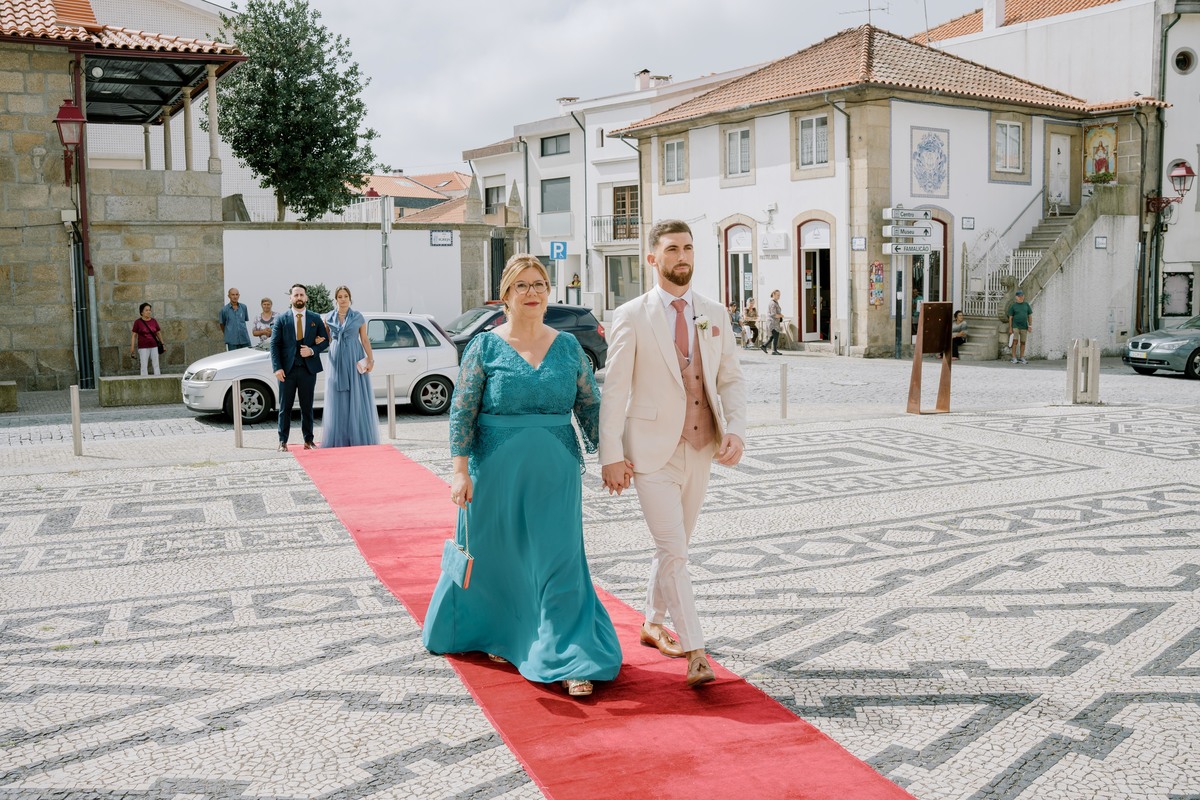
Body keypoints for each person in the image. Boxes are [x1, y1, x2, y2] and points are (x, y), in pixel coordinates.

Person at [423, 254, 621, 699]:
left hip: (555, 470)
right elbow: (462, 411)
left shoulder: (569, 347)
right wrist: (458, 471)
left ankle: (572, 656)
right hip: (493, 469)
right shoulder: (485, 346)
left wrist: (613, 456)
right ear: (506, 294)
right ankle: (500, 635)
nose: (533, 293)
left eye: (540, 284)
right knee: (500, 559)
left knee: (560, 561)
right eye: (522, 286)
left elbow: (589, 407)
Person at [599, 219, 747, 688]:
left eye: (687, 248)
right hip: (649, 454)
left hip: (701, 447)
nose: (682, 256)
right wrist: (611, 455)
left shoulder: (713, 312)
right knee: (674, 550)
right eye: (671, 249)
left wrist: (736, 431)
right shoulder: (631, 315)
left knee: (675, 546)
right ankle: (696, 650)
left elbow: (730, 379)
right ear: (653, 258)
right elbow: (615, 390)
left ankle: (650, 621)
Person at [270, 283, 328, 451]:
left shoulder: (315, 318)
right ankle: (282, 441)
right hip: (286, 371)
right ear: (290, 298)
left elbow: (325, 341)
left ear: (306, 297)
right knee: (285, 407)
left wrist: (312, 350)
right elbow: (274, 345)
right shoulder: (282, 319)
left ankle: (308, 441)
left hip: (307, 370)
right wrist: (277, 368)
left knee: (307, 407)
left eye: (302, 295)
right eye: (296, 295)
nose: (299, 298)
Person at [321, 286, 379, 448]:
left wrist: (371, 360)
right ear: (336, 299)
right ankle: (339, 437)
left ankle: (357, 436)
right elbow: (325, 339)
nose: (343, 299)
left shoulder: (358, 317)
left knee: (356, 396)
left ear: (350, 298)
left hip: (354, 357)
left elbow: (365, 340)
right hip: (336, 360)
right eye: (340, 296)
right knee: (337, 397)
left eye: (346, 296)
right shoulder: (328, 317)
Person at [129, 302, 164, 376]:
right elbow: (134, 335)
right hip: (143, 347)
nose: (149, 312)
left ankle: (158, 379)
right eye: (146, 310)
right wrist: (132, 347)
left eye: (149, 310)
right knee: (144, 366)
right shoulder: (138, 322)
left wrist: (162, 344)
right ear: (142, 312)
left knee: (156, 364)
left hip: (154, 346)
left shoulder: (153, 321)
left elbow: (158, 333)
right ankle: (144, 381)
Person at [1007, 289, 1033, 364]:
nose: (1021, 297)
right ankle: (1013, 357)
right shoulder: (1013, 306)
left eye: (1022, 296)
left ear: (1023, 296)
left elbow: (1029, 316)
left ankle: (1022, 357)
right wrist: (1010, 328)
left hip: (1024, 326)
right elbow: (1010, 317)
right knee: (1015, 341)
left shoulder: (1026, 305)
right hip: (1015, 326)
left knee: (1023, 342)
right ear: (1016, 297)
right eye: (1019, 296)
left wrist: (1030, 326)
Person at [760, 288, 784, 355]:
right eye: (777, 295)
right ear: (773, 295)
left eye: (779, 295)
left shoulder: (775, 302)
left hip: (774, 322)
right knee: (775, 336)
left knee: (772, 336)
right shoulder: (773, 303)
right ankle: (774, 351)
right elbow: (774, 314)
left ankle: (764, 346)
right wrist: (781, 316)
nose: (779, 296)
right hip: (772, 322)